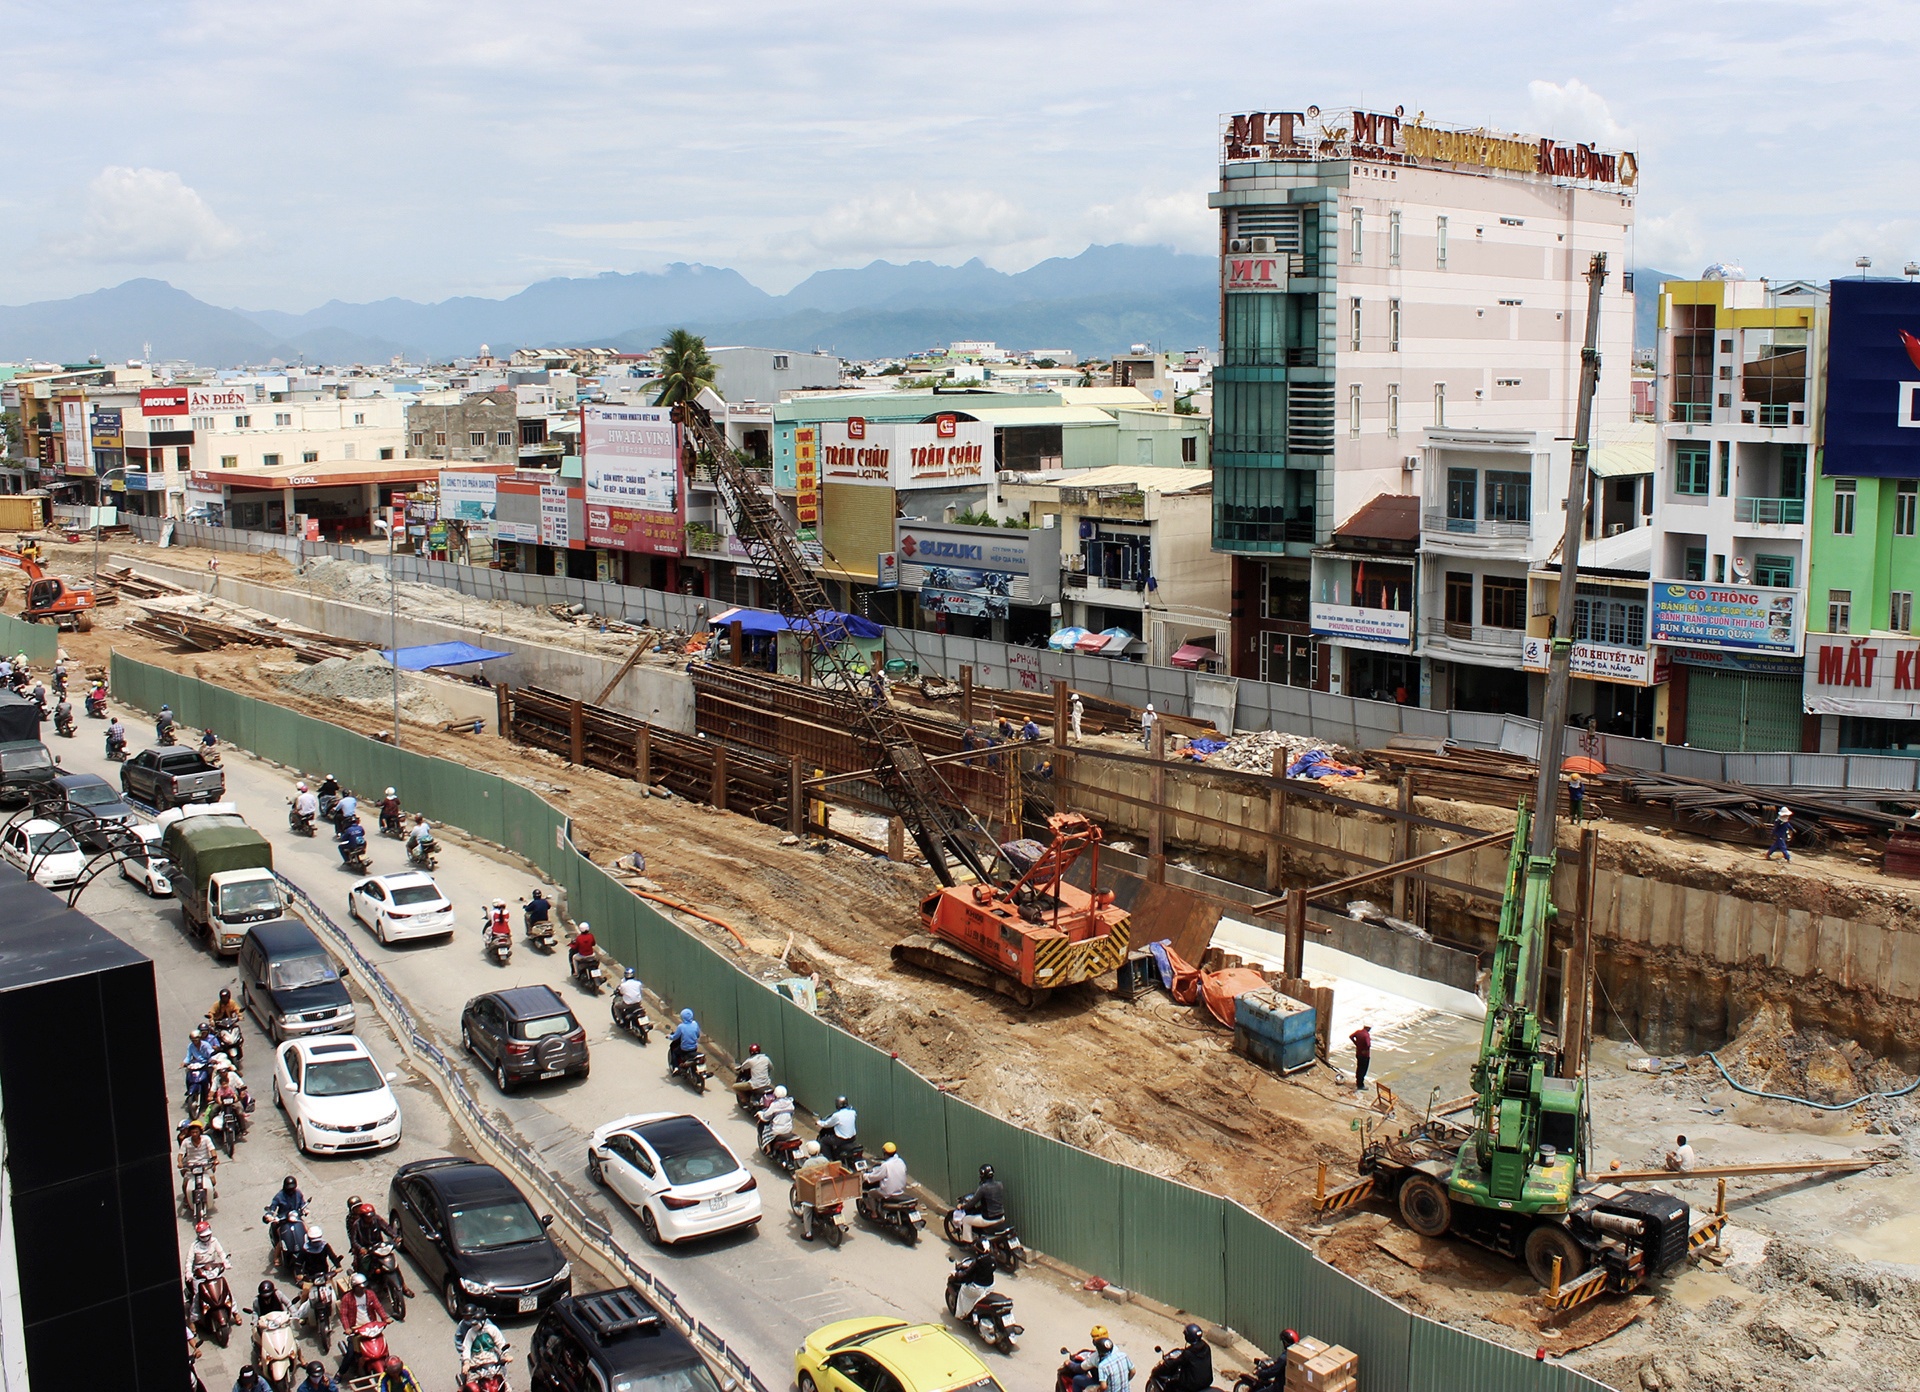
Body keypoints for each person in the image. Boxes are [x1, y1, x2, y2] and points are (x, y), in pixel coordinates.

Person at [186, 1220, 229, 1320]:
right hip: (199, 1271)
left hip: (213, 1269)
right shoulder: (194, 1246)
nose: (205, 1238)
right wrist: (189, 1273)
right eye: (203, 1236)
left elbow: (221, 1253)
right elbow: (189, 1261)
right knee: (197, 1295)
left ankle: (235, 1312)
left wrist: (226, 1262)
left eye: (207, 1235)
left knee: (224, 1289)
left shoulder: (214, 1241)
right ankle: (194, 1319)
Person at [951, 1163, 1004, 1244]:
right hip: (1001, 1217)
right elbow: (992, 1201)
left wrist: (962, 1206)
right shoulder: (1000, 1185)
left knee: (966, 1220)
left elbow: (972, 1203)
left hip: (989, 1218)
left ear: (983, 1175)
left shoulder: (983, 1188)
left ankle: (968, 1243)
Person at [792, 1141, 832, 1241]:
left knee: (807, 1210)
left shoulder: (808, 1163)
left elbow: (802, 1175)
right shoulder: (824, 1159)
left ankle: (808, 1233)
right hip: (827, 1189)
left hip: (814, 1191)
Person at [455, 1305, 511, 1374]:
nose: (471, 1322)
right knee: (468, 1378)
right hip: (474, 1359)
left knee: (502, 1375)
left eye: (470, 1317)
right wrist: (466, 1360)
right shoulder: (469, 1331)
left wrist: (506, 1354)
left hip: (491, 1357)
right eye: (466, 1317)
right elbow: (465, 1346)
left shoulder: (491, 1328)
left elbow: (500, 1341)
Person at [1156, 1325, 1212, 1392]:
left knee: (1170, 1386)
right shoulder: (1206, 1347)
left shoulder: (1188, 1353)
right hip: (1206, 1381)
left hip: (1192, 1385)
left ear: (1188, 1337)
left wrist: (1163, 1366)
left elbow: (1175, 1363)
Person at [178, 1122, 218, 1201]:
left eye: (196, 1132)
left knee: (213, 1181)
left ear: (200, 1131)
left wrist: (215, 1159)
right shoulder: (186, 1141)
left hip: (205, 1164)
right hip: (191, 1165)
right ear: (190, 1133)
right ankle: (186, 1198)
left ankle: (211, 1190)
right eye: (192, 1132)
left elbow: (212, 1150)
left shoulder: (206, 1138)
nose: (195, 1134)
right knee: (185, 1184)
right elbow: (180, 1154)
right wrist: (180, 1163)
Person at [819, 1095, 858, 1162]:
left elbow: (827, 1124)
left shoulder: (836, 1116)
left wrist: (819, 1122)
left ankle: (829, 1160)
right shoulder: (853, 1112)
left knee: (824, 1141)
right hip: (852, 1138)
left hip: (841, 1140)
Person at [668, 1007, 701, 1073]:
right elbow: (698, 1035)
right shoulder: (695, 1024)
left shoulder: (681, 1026)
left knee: (674, 1052)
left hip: (685, 1049)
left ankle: (676, 1068)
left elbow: (675, 1037)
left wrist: (669, 1036)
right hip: (694, 1048)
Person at [1349, 1023, 1373, 1093]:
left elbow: (1351, 1037)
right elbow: (1368, 1045)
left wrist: (1356, 1044)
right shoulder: (1366, 1035)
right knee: (1363, 1070)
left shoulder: (1358, 1032)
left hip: (1358, 1053)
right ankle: (1360, 1085)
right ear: (1368, 1028)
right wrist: (1365, 1049)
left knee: (1359, 1068)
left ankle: (1358, 1081)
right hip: (1365, 1055)